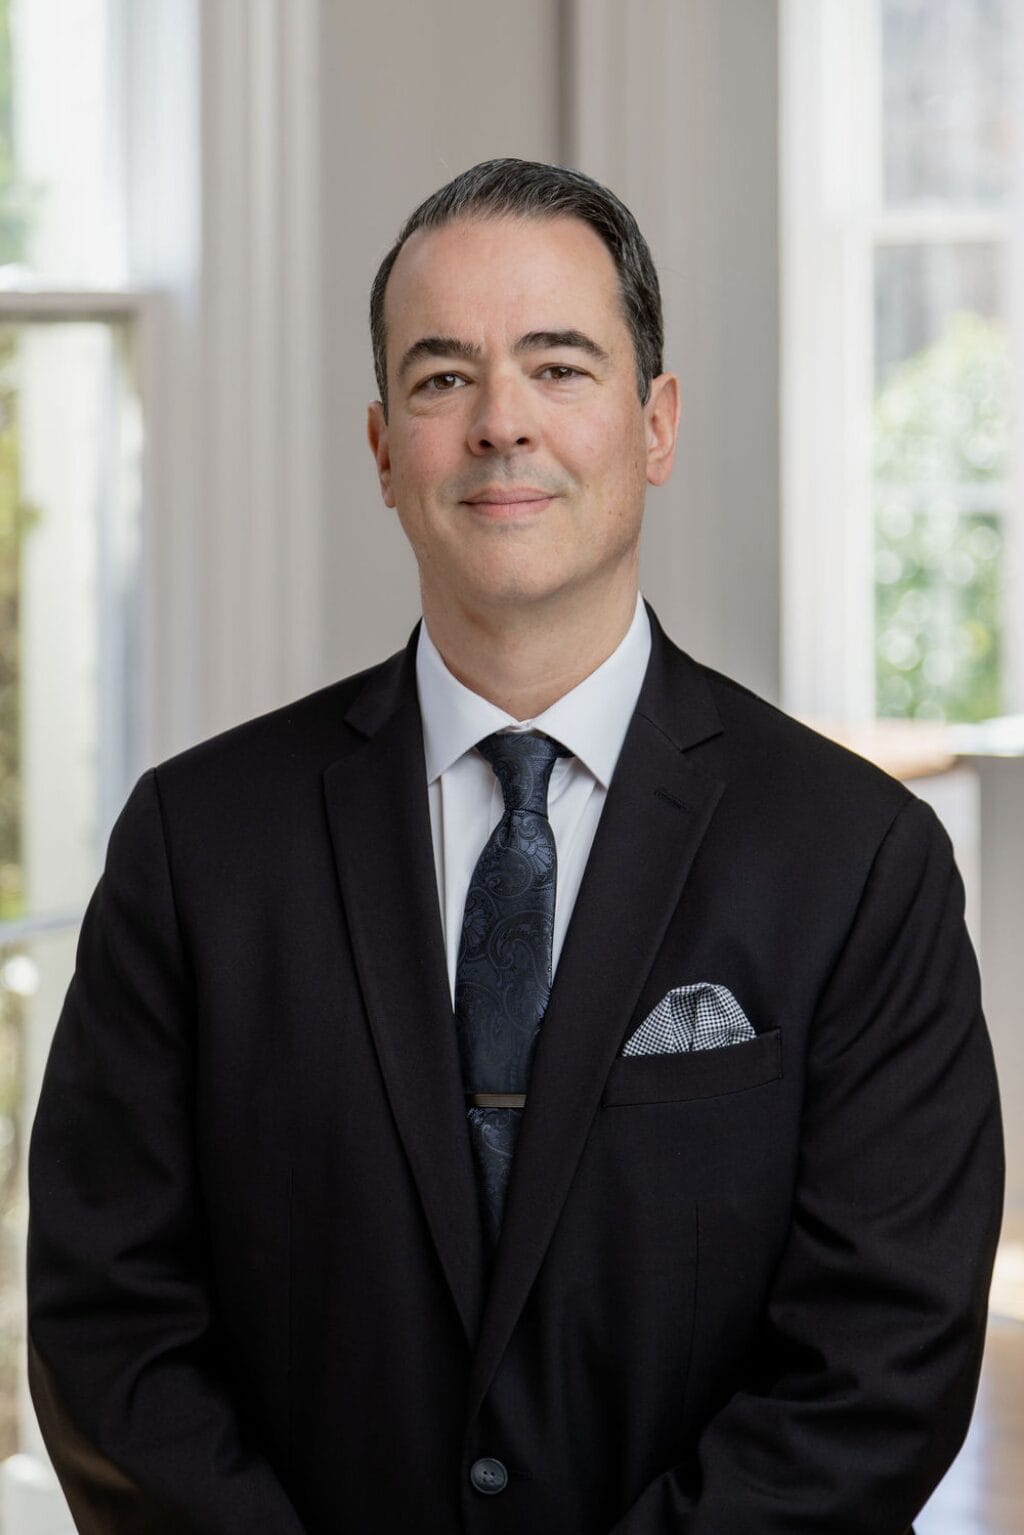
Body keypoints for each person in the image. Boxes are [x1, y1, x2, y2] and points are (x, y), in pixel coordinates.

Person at [28, 158, 1003, 1534]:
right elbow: (110, 1331)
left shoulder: (859, 865)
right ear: (381, 447)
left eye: (560, 367)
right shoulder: (197, 851)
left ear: (655, 423)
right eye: (441, 379)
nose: (501, 425)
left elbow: (880, 1367)